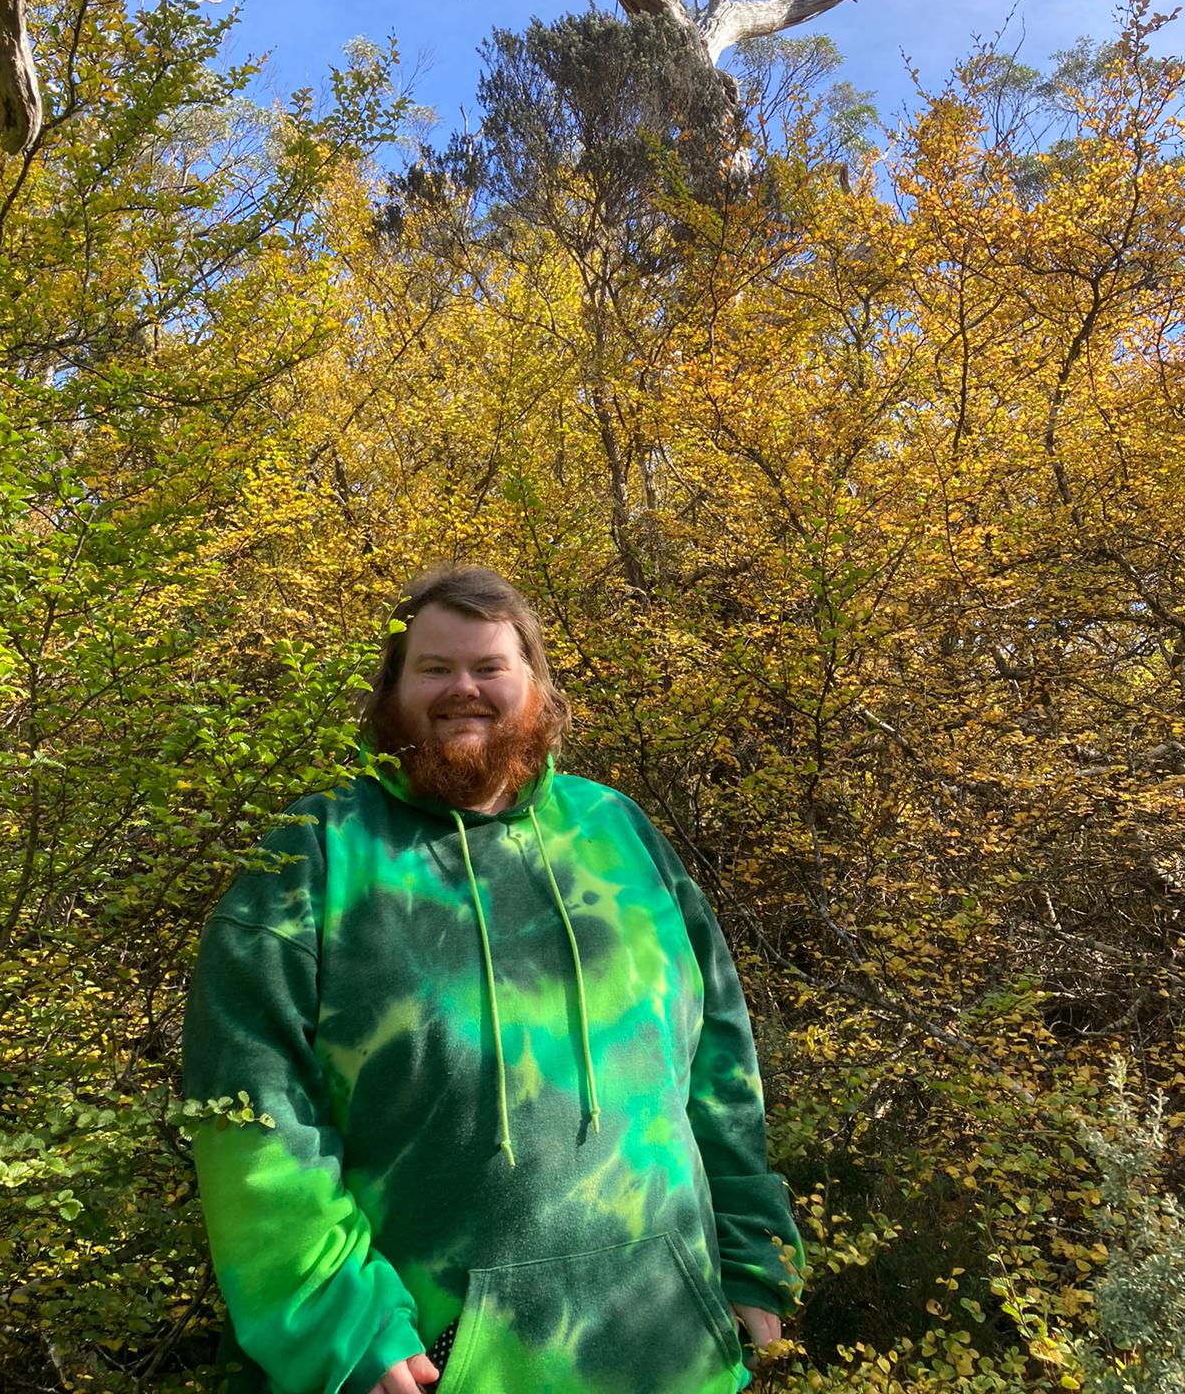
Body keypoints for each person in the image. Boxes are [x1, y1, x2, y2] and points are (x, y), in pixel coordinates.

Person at [183, 564, 804, 1394]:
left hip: (667, 1344)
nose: (462, 689)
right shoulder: (317, 852)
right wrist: (336, 1320)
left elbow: (718, 1052)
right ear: (391, 690)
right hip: (436, 1362)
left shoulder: (616, 829)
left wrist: (752, 1248)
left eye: (489, 667)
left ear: (536, 687)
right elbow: (251, 1107)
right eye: (433, 668)